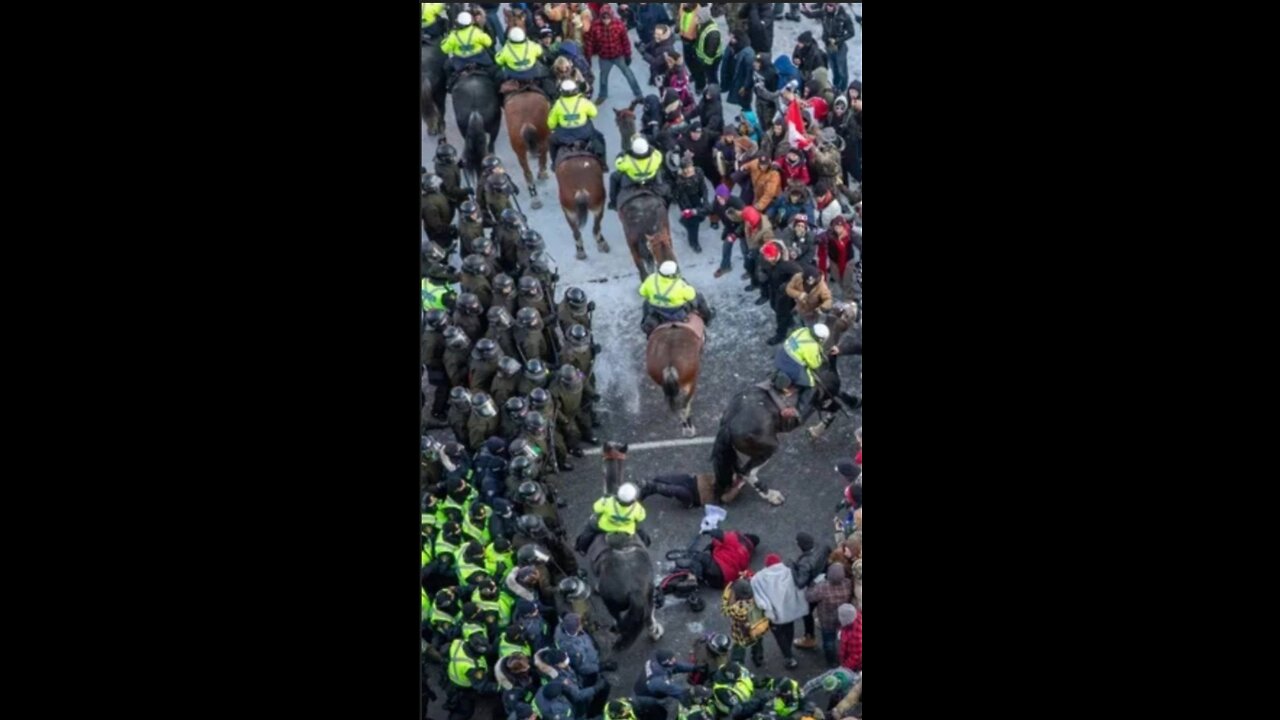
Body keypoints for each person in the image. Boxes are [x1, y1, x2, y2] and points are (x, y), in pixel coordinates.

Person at [750, 553, 809, 669]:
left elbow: (759, 598)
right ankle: (789, 650)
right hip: (790, 611)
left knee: (779, 635)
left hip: (775, 615)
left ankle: (788, 656)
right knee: (789, 629)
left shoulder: (759, 578)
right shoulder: (789, 572)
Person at [637, 261, 715, 336]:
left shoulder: (651, 278)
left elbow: (642, 292)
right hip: (677, 312)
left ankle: (644, 323)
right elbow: (691, 295)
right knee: (699, 297)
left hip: (656, 310)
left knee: (646, 302)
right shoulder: (679, 283)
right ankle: (708, 316)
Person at [584, 6, 643, 103]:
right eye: (604, 19)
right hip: (604, 57)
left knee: (629, 74)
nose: (606, 21)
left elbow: (625, 41)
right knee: (603, 77)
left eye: (608, 18)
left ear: (611, 16)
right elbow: (590, 43)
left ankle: (639, 94)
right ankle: (602, 95)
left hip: (618, 55)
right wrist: (588, 58)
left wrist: (628, 55)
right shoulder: (595, 26)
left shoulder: (619, 24)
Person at [575, 482, 650, 554]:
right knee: (642, 532)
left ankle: (581, 547)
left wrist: (604, 499)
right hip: (627, 530)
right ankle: (646, 544)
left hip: (605, 527)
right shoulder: (637, 507)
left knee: (589, 529)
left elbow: (596, 507)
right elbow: (641, 517)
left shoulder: (608, 501)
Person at [547, 79, 608, 168]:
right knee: (600, 138)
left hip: (563, 135)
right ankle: (603, 164)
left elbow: (551, 124)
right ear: (576, 90)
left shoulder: (558, 104)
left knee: (551, 141)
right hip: (584, 133)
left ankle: (554, 164)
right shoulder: (583, 101)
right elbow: (594, 113)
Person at [789, 532, 834, 651]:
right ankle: (822, 621)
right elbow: (831, 555)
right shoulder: (823, 546)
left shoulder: (805, 563)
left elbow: (800, 582)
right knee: (826, 604)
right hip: (826, 580)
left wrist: (792, 567)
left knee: (807, 612)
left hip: (813, 587)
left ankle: (809, 637)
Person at [774, 323, 830, 415]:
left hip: (781, 355)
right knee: (811, 385)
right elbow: (814, 365)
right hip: (791, 365)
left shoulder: (803, 330)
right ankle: (798, 410)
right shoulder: (813, 346)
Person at [805, 562, 852, 667]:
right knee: (844, 637)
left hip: (827, 619)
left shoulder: (822, 587)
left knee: (829, 641)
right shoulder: (848, 583)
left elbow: (809, 597)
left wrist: (812, 585)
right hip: (842, 618)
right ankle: (845, 656)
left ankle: (832, 661)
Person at [445, 633, 497, 720]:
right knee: (464, 712)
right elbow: (481, 686)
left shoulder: (458, 643)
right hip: (463, 689)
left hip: (450, 679)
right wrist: (499, 687)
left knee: (454, 704)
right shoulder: (473, 667)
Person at [608, 135, 666, 210]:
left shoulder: (628, 160)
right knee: (661, 173)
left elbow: (618, 165)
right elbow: (659, 155)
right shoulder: (655, 157)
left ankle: (613, 202)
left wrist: (620, 156)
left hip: (632, 180)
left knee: (613, 177)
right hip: (651, 179)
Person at [495, 26, 553, 94]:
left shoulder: (506, 49)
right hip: (532, 72)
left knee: (497, 78)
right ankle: (551, 96)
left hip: (513, 74)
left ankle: (498, 99)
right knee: (547, 74)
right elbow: (540, 51)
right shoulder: (531, 45)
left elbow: (498, 61)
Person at [720, 580, 764, 667]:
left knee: (739, 650)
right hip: (757, 629)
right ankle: (758, 659)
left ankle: (737, 666)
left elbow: (724, 611)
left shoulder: (738, 608)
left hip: (741, 634)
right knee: (758, 644)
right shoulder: (757, 600)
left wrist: (727, 597)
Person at [442, 11, 496, 78]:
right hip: (480, 59)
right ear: (470, 22)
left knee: (446, 67)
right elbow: (489, 43)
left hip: (460, 62)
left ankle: (448, 85)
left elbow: (445, 49)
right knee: (494, 68)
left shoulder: (453, 35)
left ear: (458, 23)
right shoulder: (476, 32)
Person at [673, 155, 709, 254]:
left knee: (702, 215)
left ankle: (684, 221)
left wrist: (705, 200)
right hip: (685, 199)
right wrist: (689, 210)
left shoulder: (698, 172)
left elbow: (703, 187)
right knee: (693, 222)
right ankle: (694, 242)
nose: (690, 172)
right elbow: (681, 197)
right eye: (687, 170)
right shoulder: (680, 180)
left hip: (696, 195)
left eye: (690, 168)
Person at [837, 603, 861, 672]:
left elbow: (855, 656)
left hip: (854, 664)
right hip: (848, 656)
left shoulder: (856, 635)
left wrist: (844, 667)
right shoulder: (854, 618)